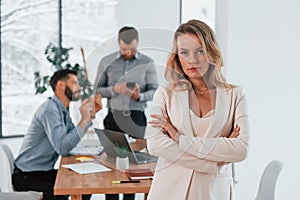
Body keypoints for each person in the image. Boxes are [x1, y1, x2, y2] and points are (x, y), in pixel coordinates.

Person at [146, 19, 250, 200]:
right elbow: (155, 144)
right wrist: (212, 162)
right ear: (177, 56)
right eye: (184, 52)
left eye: (199, 51)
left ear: (211, 51)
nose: (192, 60)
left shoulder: (235, 95)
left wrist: (179, 139)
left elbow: (241, 149)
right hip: (169, 190)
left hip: (212, 191)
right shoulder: (165, 94)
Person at [12, 69, 102, 200]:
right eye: (75, 83)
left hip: (42, 173)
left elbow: (71, 139)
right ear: (61, 85)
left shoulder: (62, 109)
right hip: (27, 176)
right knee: (71, 190)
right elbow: (62, 148)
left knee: (85, 184)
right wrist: (85, 120)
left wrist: (90, 116)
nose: (80, 87)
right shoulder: (50, 109)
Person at [94, 26, 158, 200]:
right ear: (118, 43)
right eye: (124, 49)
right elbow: (97, 90)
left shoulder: (147, 62)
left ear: (137, 44)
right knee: (112, 163)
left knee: (133, 166)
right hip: (113, 116)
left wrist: (139, 96)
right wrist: (114, 89)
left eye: (132, 49)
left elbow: (155, 90)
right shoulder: (107, 61)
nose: (128, 53)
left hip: (136, 117)